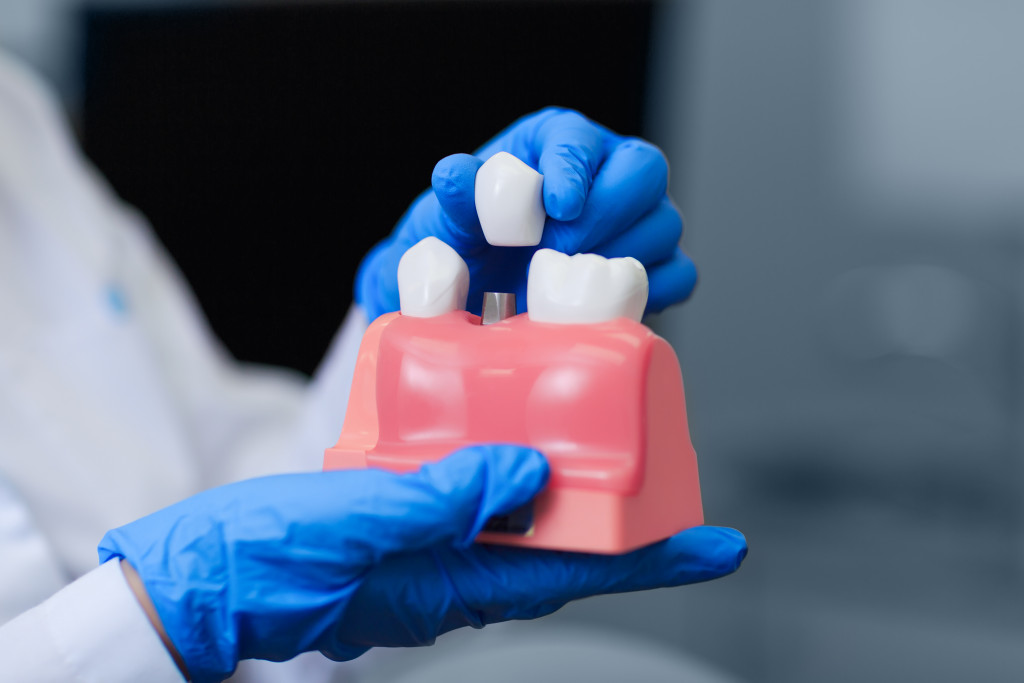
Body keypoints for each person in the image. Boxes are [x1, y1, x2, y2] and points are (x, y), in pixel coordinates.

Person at [0, 48, 747, 683]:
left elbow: (230, 487)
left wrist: (410, 360)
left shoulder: (15, 116)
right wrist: (146, 614)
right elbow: (208, 564)